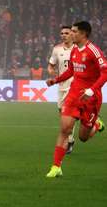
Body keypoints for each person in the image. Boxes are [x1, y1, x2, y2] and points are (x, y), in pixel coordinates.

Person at [44, 20, 107, 178]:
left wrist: (92, 91)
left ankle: (95, 124)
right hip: (73, 95)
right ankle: (56, 166)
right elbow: (71, 70)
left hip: (91, 98)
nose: (70, 34)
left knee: (83, 137)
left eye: (73, 31)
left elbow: (105, 72)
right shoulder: (74, 50)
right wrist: (55, 80)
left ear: (83, 34)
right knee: (65, 129)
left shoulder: (93, 51)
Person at [47, 25, 75, 153]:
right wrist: (51, 72)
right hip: (61, 85)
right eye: (62, 33)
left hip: (74, 85)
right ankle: (94, 122)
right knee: (61, 113)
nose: (63, 35)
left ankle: (69, 141)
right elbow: (51, 65)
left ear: (72, 34)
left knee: (68, 114)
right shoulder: (57, 49)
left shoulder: (78, 48)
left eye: (66, 33)